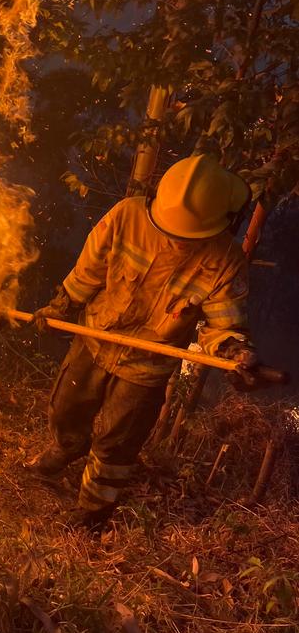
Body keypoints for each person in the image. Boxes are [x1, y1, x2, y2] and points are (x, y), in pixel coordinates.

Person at [28, 154, 257, 531]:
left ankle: (92, 512)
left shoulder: (226, 260)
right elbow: (90, 269)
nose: (174, 240)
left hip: (146, 365)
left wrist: (235, 352)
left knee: (117, 443)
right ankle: (68, 448)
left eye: (187, 237)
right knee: (64, 410)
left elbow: (222, 323)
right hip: (95, 336)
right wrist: (62, 303)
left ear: (220, 225)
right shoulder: (126, 216)